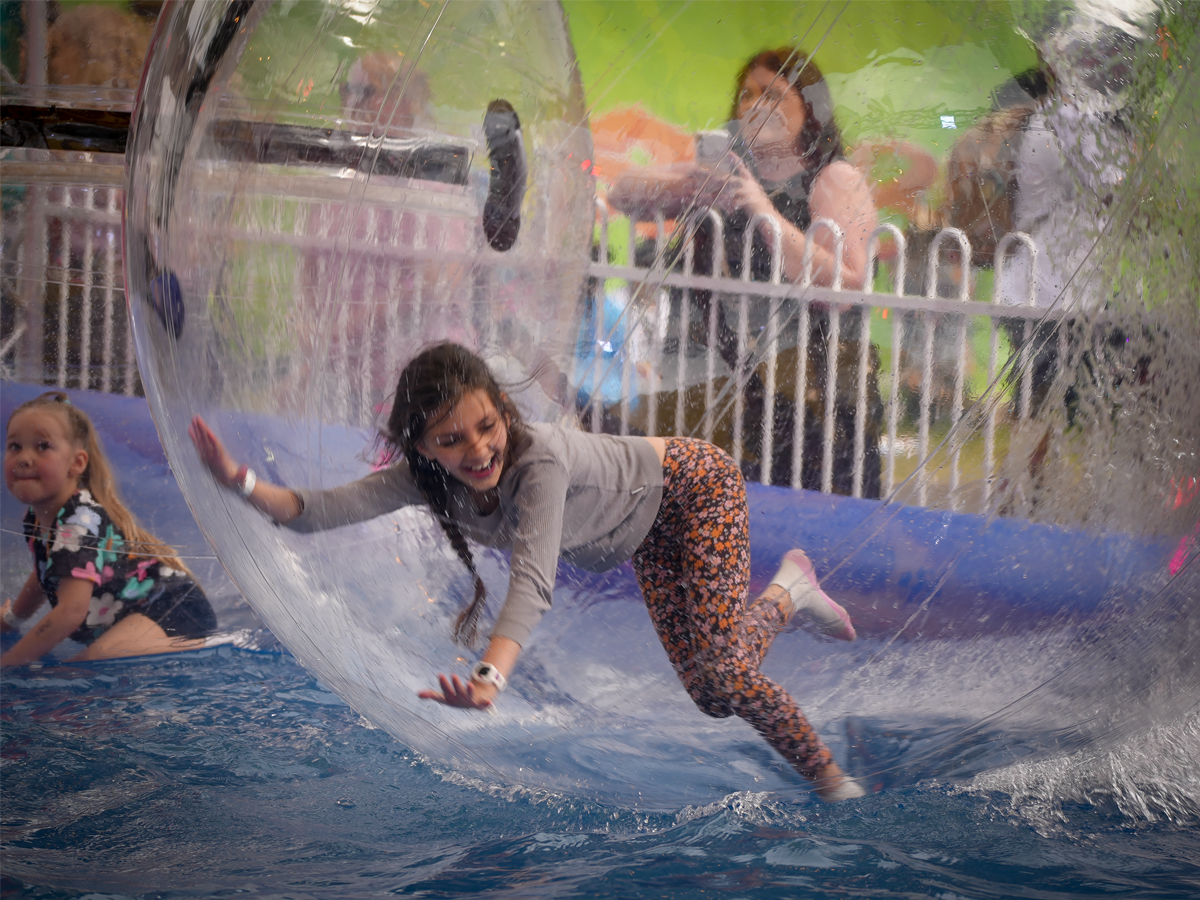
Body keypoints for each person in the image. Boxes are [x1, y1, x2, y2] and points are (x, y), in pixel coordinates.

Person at [188, 342, 865, 801]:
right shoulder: (429, 480)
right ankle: (789, 591)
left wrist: (489, 677)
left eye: (486, 426)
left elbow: (533, 582)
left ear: (503, 412)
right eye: (450, 440)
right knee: (714, 695)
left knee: (725, 675)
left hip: (694, 490)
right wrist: (237, 480)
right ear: (421, 446)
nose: (477, 449)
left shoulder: (538, 461)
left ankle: (833, 783)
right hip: (645, 527)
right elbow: (316, 511)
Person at [608, 48, 883, 495]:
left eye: (774, 94)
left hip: (811, 392)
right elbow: (622, 194)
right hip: (716, 381)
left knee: (808, 511)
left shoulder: (833, 178)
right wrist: (688, 184)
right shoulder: (726, 171)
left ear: (809, 108)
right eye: (747, 94)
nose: (756, 104)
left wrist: (763, 211)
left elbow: (847, 287)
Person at [2, 392, 216, 666]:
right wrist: (12, 619)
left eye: (43, 446)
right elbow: (46, 570)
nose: (24, 457)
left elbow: (70, 612)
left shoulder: (77, 522)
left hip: (172, 610)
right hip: (134, 614)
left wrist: (11, 662)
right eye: (15, 446)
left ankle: (200, 647)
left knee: (93, 662)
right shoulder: (36, 516)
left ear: (76, 463)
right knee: (89, 662)